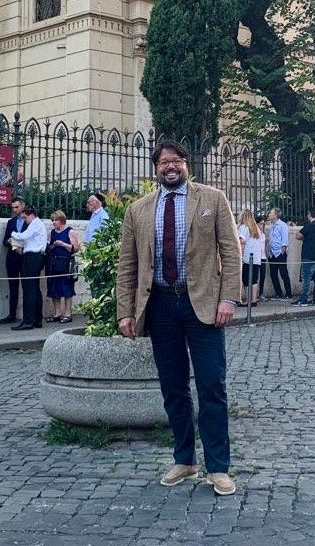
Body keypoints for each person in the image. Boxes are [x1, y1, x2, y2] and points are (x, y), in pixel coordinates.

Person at [117, 139, 241, 497]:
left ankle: (218, 467)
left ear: (187, 164)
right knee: (173, 388)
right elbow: (128, 266)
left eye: (176, 161)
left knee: (211, 387)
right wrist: (125, 311)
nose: (170, 167)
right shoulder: (138, 210)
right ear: (155, 168)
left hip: (201, 304)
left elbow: (231, 253)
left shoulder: (212, 199)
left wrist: (228, 299)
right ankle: (184, 459)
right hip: (159, 307)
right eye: (163, 162)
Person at [10, 204, 47, 330]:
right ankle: (37, 319)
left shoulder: (35, 224)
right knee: (34, 289)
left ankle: (28, 320)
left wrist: (12, 233)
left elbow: (23, 236)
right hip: (34, 257)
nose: (24, 220)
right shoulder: (37, 224)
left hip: (32, 257)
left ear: (31, 215)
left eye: (25, 217)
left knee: (29, 290)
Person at [46, 211, 80, 323]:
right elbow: (49, 244)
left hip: (65, 263)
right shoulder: (52, 232)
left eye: (56, 220)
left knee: (66, 288)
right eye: (53, 220)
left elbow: (76, 248)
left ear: (62, 220)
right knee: (54, 288)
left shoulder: (70, 231)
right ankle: (57, 313)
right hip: (53, 263)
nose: (54, 223)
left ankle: (67, 313)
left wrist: (63, 244)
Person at [292, 206, 315, 307]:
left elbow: (298, 235)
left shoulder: (310, 226)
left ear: (310, 214)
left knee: (306, 278)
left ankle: (303, 299)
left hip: (309, 256)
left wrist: (304, 238)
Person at [0, 197, 27, 323]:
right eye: (13, 208)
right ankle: (12, 314)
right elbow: (5, 240)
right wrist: (11, 243)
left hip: (25, 256)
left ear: (23, 206)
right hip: (12, 257)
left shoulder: (29, 221)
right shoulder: (11, 222)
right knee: (13, 286)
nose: (15, 210)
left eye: (16, 207)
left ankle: (27, 315)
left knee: (27, 286)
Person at [235, 209, 265, 307]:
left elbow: (242, 242)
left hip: (247, 258)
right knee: (254, 279)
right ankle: (254, 300)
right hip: (256, 258)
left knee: (246, 279)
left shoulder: (244, 227)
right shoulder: (256, 228)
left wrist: (240, 255)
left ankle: (248, 301)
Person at [266, 207, 292, 299]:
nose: (269, 214)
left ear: (276, 215)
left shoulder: (282, 225)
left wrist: (283, 251)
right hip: (272, 253)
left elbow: (284, 239)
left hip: (279, 252)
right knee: (273, 274)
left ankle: (288, 293)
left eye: (271, 213)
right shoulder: (272, 226)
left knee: (283, 274)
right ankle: (278, 293)